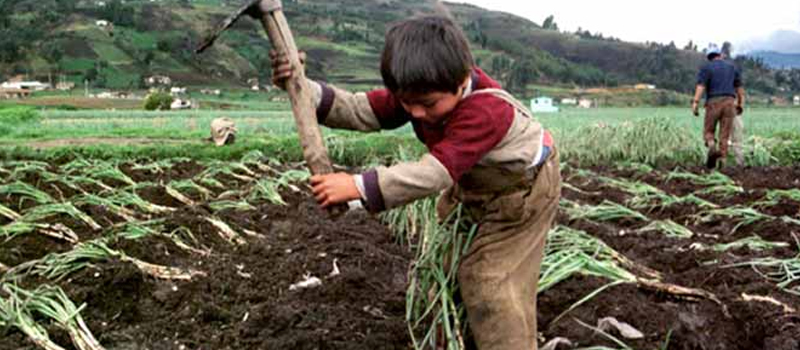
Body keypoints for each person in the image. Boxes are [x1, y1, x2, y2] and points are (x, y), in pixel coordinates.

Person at [272, 15, 560, 350]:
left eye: (427, 104)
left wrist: (358, 186)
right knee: (443, 270)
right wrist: (300, 87)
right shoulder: (419, 90)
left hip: (522, 193)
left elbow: (435, 172)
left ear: (462, 80)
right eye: (408, 103)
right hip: (473, 186)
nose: (417, 113)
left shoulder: (487, 110)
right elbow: (359, 109)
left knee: (490, 282)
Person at [691, 43, 746, 168]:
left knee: (709, 130)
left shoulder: (707, 68)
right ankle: (722, 162)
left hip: (713, 102)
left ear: (709, 57)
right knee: (724, 135)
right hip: (729, 102)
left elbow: (701, 86)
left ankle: (711, 144)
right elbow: (740, 89)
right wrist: (740, 104)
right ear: (720, 55)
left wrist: (695, 103)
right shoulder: (732, 67)